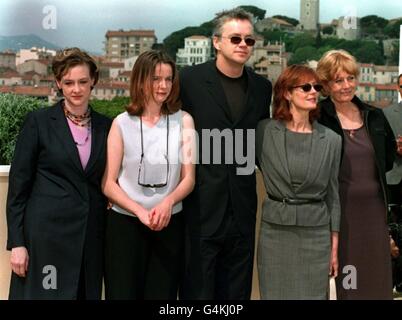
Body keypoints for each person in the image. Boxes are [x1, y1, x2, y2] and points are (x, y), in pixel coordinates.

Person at [179, 8, 272, 300]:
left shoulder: (262, 88)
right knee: (198, 292)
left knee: (237, 294)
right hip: (200, 208)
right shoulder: (189, 80)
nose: (243, 45)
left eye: (249, 40)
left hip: (243, 209)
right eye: (235, 38)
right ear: (216, 42)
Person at [6, 47, 111, 299]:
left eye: (83, 81)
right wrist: (17, 243)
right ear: (58, 83)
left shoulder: (107, 126)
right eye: (69, 82)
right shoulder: (38, 122)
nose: (76, 89)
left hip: (88, 241)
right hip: (46, 239)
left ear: (93, 81)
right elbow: (18, 187)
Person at [102, 50, 195, 300]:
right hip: (125, 227)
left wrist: (167, 203)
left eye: (168, 79)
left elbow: (189, 179)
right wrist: (140, 211)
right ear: (140, 79)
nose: (163, 86)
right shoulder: (121, 123)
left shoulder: (184, 121)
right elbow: (109, 184)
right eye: (155, 78)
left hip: (169, 224)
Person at [256, 65, 342, 300]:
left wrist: (334, 246)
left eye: (316, 87)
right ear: (286, 93)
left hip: (316, 235)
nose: (313, 92)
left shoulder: (332, 140)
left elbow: (333, 196)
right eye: (305, 87)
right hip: (275, 234)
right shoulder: (263, 131)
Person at [316, 49, 396, 300]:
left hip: (375, 212)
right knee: (349, 282)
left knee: (376, 279)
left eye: (351, 78)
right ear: (326, 84)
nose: (346, 85)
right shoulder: (317, 116)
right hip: (341, 214)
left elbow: (388, 157)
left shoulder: (374, 116)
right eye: (338, 80)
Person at [383, 73, 402, 292]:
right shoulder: (386, 114)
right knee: (392, 235)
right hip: (394, 180)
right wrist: (395, 149)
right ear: (398, 88)